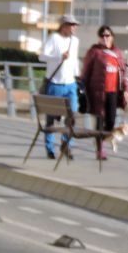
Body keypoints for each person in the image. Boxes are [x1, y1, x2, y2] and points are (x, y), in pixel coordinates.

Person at [80, 25, 128, 161]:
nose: (105, 38)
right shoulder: (94, 51)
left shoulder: (117, 53)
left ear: (112, 37)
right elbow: (86, 70)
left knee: (111, 121)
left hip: (113, 92)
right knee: (99, 121)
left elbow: (123, 73)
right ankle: (100, 149)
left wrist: (125, 90)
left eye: (107, 35)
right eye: (102, 36)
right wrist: (82, 86)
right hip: (98, 92)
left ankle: (102, 140)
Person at [39, 14, 80, 160]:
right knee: (51, 118)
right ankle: (49, 148)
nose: (74, 28)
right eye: (71, 25)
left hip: (70, 84)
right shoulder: (53, 38)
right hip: (55, 83)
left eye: (75, 25)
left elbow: (74, 61)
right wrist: (58, 58)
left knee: (72, 116)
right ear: (64, 26)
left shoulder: (75, 41)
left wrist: (78, 76)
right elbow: (41, 56)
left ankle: (66, 145)